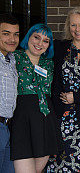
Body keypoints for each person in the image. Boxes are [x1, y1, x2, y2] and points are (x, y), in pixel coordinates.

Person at [46, 7, 80, 173]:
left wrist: (76, 97)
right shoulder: (58, 47)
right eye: (73, 25)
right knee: (57, 161)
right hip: (59, 118)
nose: (78, 30)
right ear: (68, 27)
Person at [10, 23, 63, 173]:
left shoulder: (49, 64)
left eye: (45, 41)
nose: (40, 43)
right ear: (28, 37)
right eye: (36, 37)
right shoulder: (14, 57)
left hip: (45, 121)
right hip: (22, 121)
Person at [0, 13, 19, 173]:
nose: (12, 39)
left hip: (7, 126)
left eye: (15, 34)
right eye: (6, 34)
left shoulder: (11, 60)